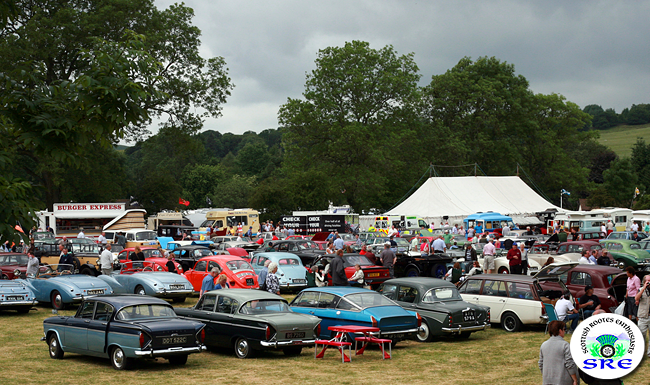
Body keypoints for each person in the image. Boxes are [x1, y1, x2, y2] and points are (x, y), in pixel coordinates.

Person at [539, 320, 579, 385]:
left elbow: (541, 364)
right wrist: (575, 379)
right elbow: (570, 364)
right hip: (563, 381)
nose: (564, 331)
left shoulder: (544, 345)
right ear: (560, 330)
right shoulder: (565, 345)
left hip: (547, 381)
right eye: (564, 329)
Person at [634, 275, 650, 358]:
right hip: (643, 316)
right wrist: (644, 288)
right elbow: (636, 298)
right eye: (648, 281)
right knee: (641, 335)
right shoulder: (641, 290)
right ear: (644, 282)